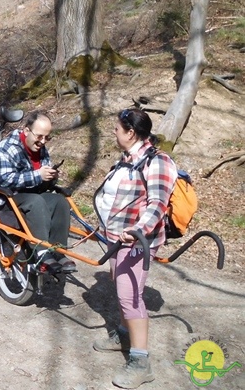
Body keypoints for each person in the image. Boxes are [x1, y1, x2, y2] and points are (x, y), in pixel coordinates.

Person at [92, 108, 177, 389]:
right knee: (120, 286)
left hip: (137, 241)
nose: (114, 132)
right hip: (117, 239)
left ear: (130, 132)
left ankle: (141, 363)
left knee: (130, 297)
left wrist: (138, 231)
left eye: (117, 128)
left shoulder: (159, 161)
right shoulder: (129, 159)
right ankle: (124, 335)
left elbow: (157, 204)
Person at [0, 111, 76, 273]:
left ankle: (59, 251)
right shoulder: (7, 148)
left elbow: (41, 176)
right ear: (26, 131)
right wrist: (37, 175)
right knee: (36, 202)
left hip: (29, 194)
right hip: (4, 197)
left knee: (60, 201)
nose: (43, 142)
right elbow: (2, 179)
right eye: (39, 136)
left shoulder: (40, 148)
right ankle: (41, 253)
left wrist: (50, 177)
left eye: (47, 137)